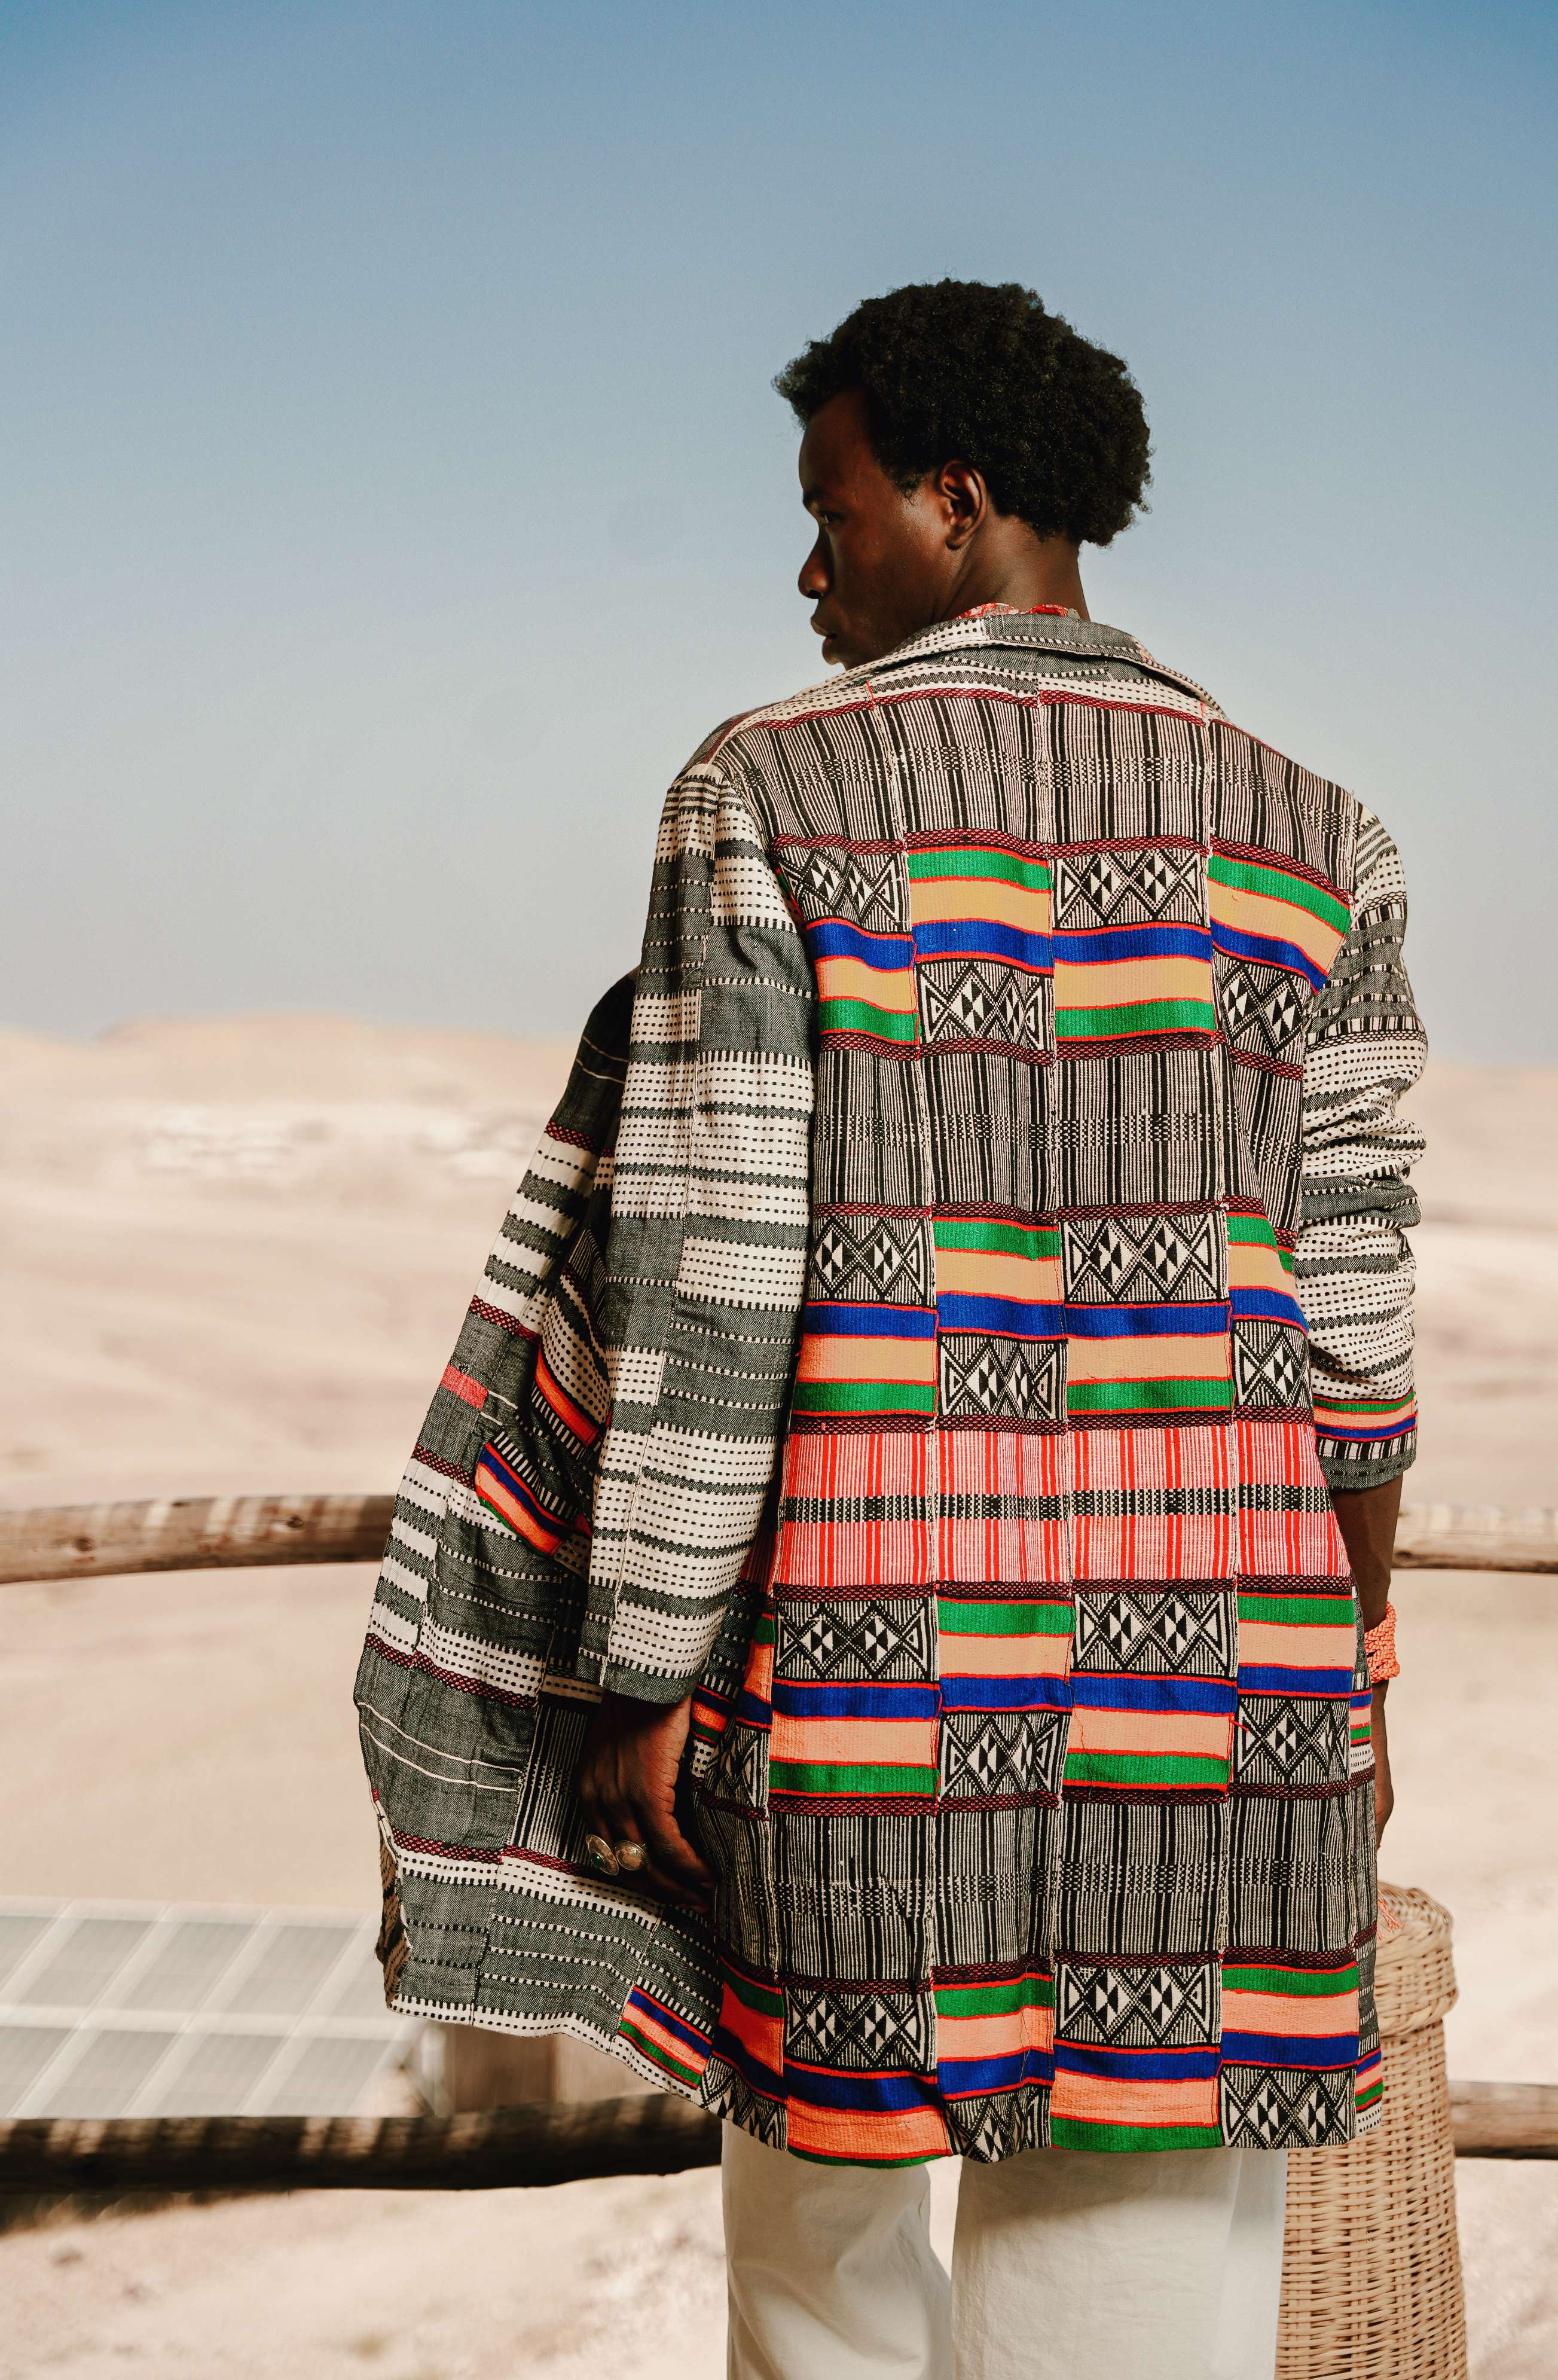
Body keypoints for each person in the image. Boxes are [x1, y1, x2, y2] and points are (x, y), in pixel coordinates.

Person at [356, 280, 1425, 2380]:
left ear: (952, 498)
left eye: (826, 511)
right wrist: (1355, 1664)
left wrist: (644, 1661)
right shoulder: (1324, 833)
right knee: (1135, 2267)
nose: (808, 566)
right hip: (1228, 1676)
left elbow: (711, 1261)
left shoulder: (769, 787)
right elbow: (1360, 1324)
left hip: (868, 1671)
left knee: (822, 2248)